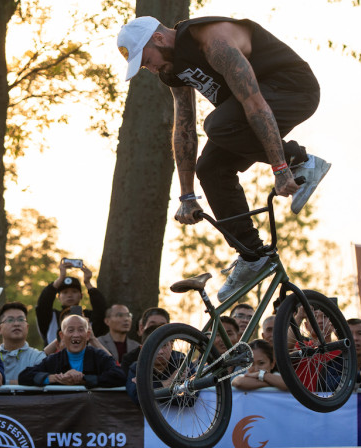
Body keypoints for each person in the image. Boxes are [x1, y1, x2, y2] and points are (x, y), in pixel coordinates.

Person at [118, 16, 329, 303]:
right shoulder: (171, 70)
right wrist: (186, 195)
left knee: (218, 126)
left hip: (292, 89)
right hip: (248, 112)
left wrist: (282, 165)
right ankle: (253, 255)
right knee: (211, 168)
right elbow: (183, 128)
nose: (150, 69)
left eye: (147, 60)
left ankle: (303, 161)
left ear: (158, 39)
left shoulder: (212, 40)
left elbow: (254, 101)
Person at [18, 315, 125, 388]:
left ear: (88, 335)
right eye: (70, 330)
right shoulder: (54, 359)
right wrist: (53, 378)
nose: (76, 335)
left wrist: (84, 380)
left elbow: (119, 375)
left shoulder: (98, 356)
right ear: (62, 336)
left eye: (80, 330)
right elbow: (24, 376)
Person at [35, 259, 107, 345]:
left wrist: (88, 283)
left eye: (74, 291)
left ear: (81, 296)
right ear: (58, 297)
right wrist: (61, 277)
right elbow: (43, 304)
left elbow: (101, 310)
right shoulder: (52, 318)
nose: (69, 295)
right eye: (65, 292)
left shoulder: (88, 317)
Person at [0, 302, 45, 385]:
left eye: (21, 319)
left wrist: (0, 384)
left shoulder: (38, 357)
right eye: (10, 320)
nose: (16, 324)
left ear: (27, 327)